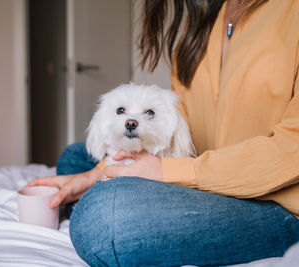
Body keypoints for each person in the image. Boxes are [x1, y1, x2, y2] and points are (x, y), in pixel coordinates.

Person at [27, 0, 299, 266]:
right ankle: (119, 197)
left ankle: (116, 203)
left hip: (277, 203)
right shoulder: (205, 23)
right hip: (211, 181)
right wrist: (94, 175)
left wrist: (167, 172)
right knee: (75, 157)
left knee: (103, 216)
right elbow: (178, 121)